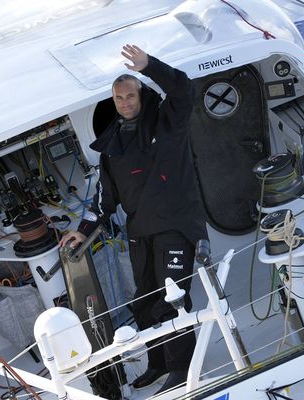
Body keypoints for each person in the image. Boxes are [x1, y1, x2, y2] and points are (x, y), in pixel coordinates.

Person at [60, 44, 208, 394]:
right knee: (143, 303)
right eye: (118, 98)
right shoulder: (113, 145)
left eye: (129, 95)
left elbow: (184, 89)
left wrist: (149, 66)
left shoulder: (168, 122)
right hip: (141, 233)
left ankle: (183, 370)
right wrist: (83, 232)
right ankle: (158, 364)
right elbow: (105, 201)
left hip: (177, 226)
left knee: (172, 298)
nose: (124, 102)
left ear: (141, 94)